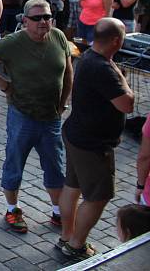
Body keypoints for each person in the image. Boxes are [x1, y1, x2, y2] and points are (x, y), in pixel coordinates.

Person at [0, 0, 72, 234]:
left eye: (47, 17)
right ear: (25, 20)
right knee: (15, 161)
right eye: (37, 18)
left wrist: (63, 103)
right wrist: (4, 86)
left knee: (55, 166)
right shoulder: (14, 42)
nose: (43, 22)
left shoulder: (58, 37)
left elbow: (68, 72)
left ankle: (58, 212)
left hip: (51, 117)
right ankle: (12, 209)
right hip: (23, 116)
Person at [59, 18, 135, 261]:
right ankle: (75, 245)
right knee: (98, 196)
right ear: (116, 40)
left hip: (76, 134)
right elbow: (127, 104)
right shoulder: (104, 68)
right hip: (92, 144)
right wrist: (122, 77)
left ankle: (66, 236)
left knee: (72, 187)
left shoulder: (87, 57)